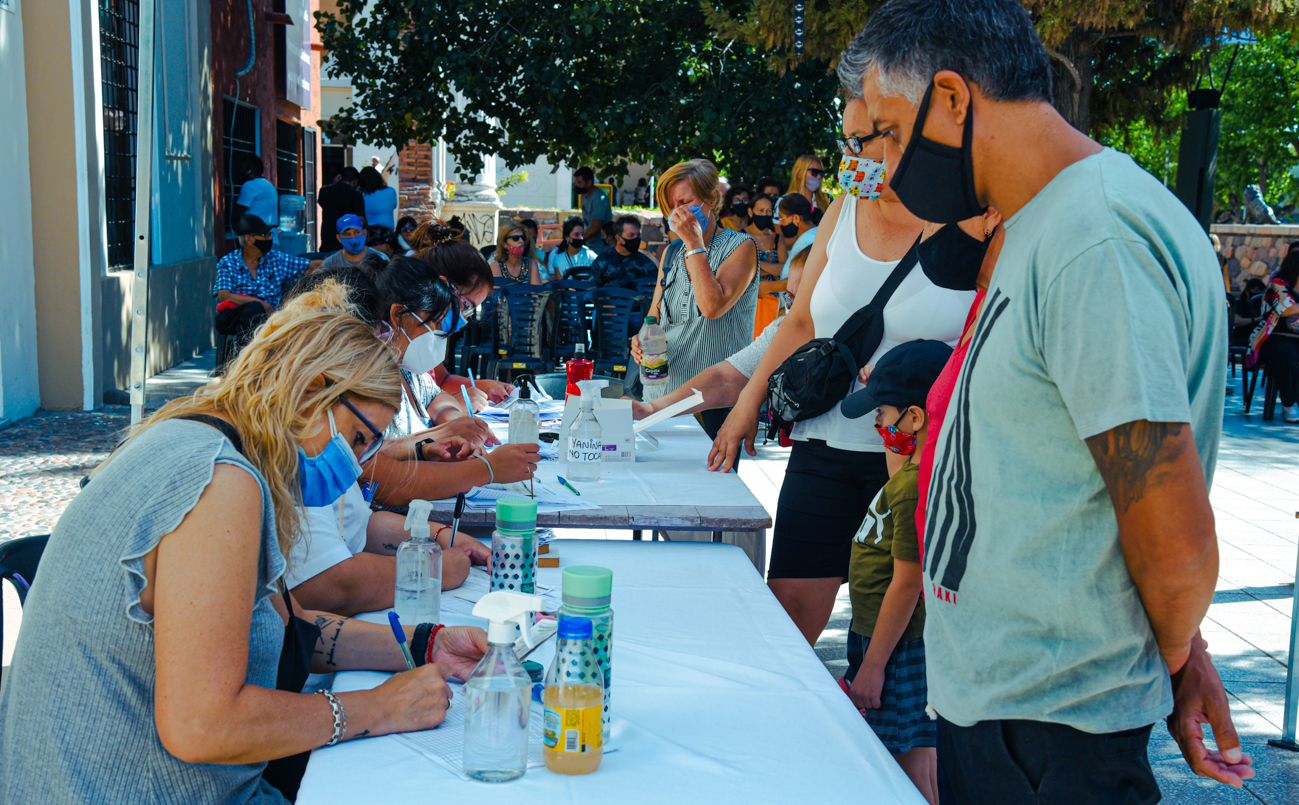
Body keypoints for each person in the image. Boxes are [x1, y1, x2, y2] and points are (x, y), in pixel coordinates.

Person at [842, 2, 1248, 801]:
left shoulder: (1094, 241)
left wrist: (1172, 656)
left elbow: (1171, 534)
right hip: (1013, 713)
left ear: (951, 98)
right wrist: (1186, 651)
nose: (882, 166)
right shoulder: (1047, 223)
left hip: (1049, 729)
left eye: (884, 133)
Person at [0, 281, 489, 803]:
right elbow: (203, 724)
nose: (354, 466)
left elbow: (289, 626)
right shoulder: (220, 480)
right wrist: (380, 708)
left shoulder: (204, 443)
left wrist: (425, 643)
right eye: (356, 439)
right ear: (311, 391)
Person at [707, 102, 975, 647]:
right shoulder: (842, 211)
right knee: (787, 618)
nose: (848, 156)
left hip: (915, 460)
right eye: (845, 140)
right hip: (823, 446)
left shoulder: (971, 221)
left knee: (899, 637)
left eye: (860, 141)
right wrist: (747, 403)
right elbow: (800, 321)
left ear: (905, 136)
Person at [839, 339, 951, 805]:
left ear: (915, 417)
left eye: (883, 413)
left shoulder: (913, 489)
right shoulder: (918, 474)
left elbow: (907, 584)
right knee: (921, 763)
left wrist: (873, 666)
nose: (879, 424)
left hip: (895, 650)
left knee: (901, 773)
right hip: (892, 642)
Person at [365, 235, 540, 508]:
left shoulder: (406, 366)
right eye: (434, 323)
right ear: (398, 315)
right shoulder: (363, 378)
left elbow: (434, 394)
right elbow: (376, 471)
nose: (440, 333)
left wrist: (435, 438)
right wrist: (486, 469)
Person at [636, 159, 758, 440]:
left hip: (713, 403)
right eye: (671, 206)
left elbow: (712, 307)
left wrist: (693, 242)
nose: (677, 212)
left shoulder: (741, 247)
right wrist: (640, 340)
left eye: (685, 202)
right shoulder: (671, 253)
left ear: (712, 199)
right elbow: (654, 318)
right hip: (660, 398)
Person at [631, 253, 808, 421]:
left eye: (804, 297)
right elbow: (726, 379)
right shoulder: (783, 328)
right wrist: (652, 408)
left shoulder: (741, 247)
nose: (794, 307)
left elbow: (712, 307)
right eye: (790, 296)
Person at [214, 214, 319, 346]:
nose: (270, 238)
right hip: (233, 315)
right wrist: (259, 303)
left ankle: (252, 350)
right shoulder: (228, 262)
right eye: (265, 235)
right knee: (254, 309)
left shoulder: (276, 259)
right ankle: (251, 352)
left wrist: (339, 259)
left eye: (270, 234)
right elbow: (224, 295)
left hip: (269, 319)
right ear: (249, 239)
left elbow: (311, 266)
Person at [1249, 251, 1299, 422]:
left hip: (1296, 339)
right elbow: (1287, 309)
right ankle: (1289, 404)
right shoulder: (1276, 285)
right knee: (1286, 352)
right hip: (1272, 336)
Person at [591, 216, 657, 290]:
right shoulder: (603, 260)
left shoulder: (646, 263)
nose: (636, 239)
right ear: (618, 238)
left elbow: (655, 289)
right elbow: (592, 289)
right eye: (631, 235)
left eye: (638, 235)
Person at [233, 156, 280, 246]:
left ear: (250, 171)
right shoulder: (270, 186)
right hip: (271, 239)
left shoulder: (249, 185)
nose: (241, 173)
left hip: (256, 241)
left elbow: (238, 212)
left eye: (243, 169)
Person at [317, 167, 366, 251]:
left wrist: (334, 183)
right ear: (355, 181)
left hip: (327, 235)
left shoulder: (324, 191)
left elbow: (321, 203)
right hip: (347, 236)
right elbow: (361, 219)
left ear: (339, 177)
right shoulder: (356, 196)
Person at [775, 193, 818, 279]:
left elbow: (797, 280)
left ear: (796, 218)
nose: (780, 223)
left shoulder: (805, 242)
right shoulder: (815, 233)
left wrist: (764, 285)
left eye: (782, 218)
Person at [322, 214, 390, 269]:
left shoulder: (382, 260)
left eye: (357, 232)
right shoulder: (329, 265)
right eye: (347, 234)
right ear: (339, 238)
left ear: (365, 233)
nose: (353, 238)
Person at [490, 220, 545, 285]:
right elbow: (497, 290)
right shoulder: (496, 266)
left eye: (523, 238)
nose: (521, 241)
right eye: (515, 238)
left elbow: (536, 290)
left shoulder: (531, 263)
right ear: (505, 244)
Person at [546, 215, 598, 280]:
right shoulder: (558, 259)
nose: (581, 238)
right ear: (567, 237)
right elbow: (561, 284)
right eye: (576, 235)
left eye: (582, 234)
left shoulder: (591, 256)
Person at [574, 166, 612, 245]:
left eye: (579, 182)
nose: (577, 185)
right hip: (589, 243)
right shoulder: (584, 196)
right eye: (576, 182)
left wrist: (579, 242)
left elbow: (595, 227)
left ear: (589, 183)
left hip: (599, 246)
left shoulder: (599, 198)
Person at [359, 165, 399, 238]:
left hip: (368, 234)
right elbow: (394, 206)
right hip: (387, 234)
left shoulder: (360, 194)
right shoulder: (391, 191)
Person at [1232, 277, 1266, 348]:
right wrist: (1256, 319)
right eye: (1255, 290)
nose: (1258, 292)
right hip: (1244, 337)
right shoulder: (1240, 304)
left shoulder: (1263, 304)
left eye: (1260, 290)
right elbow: (1236, 321)